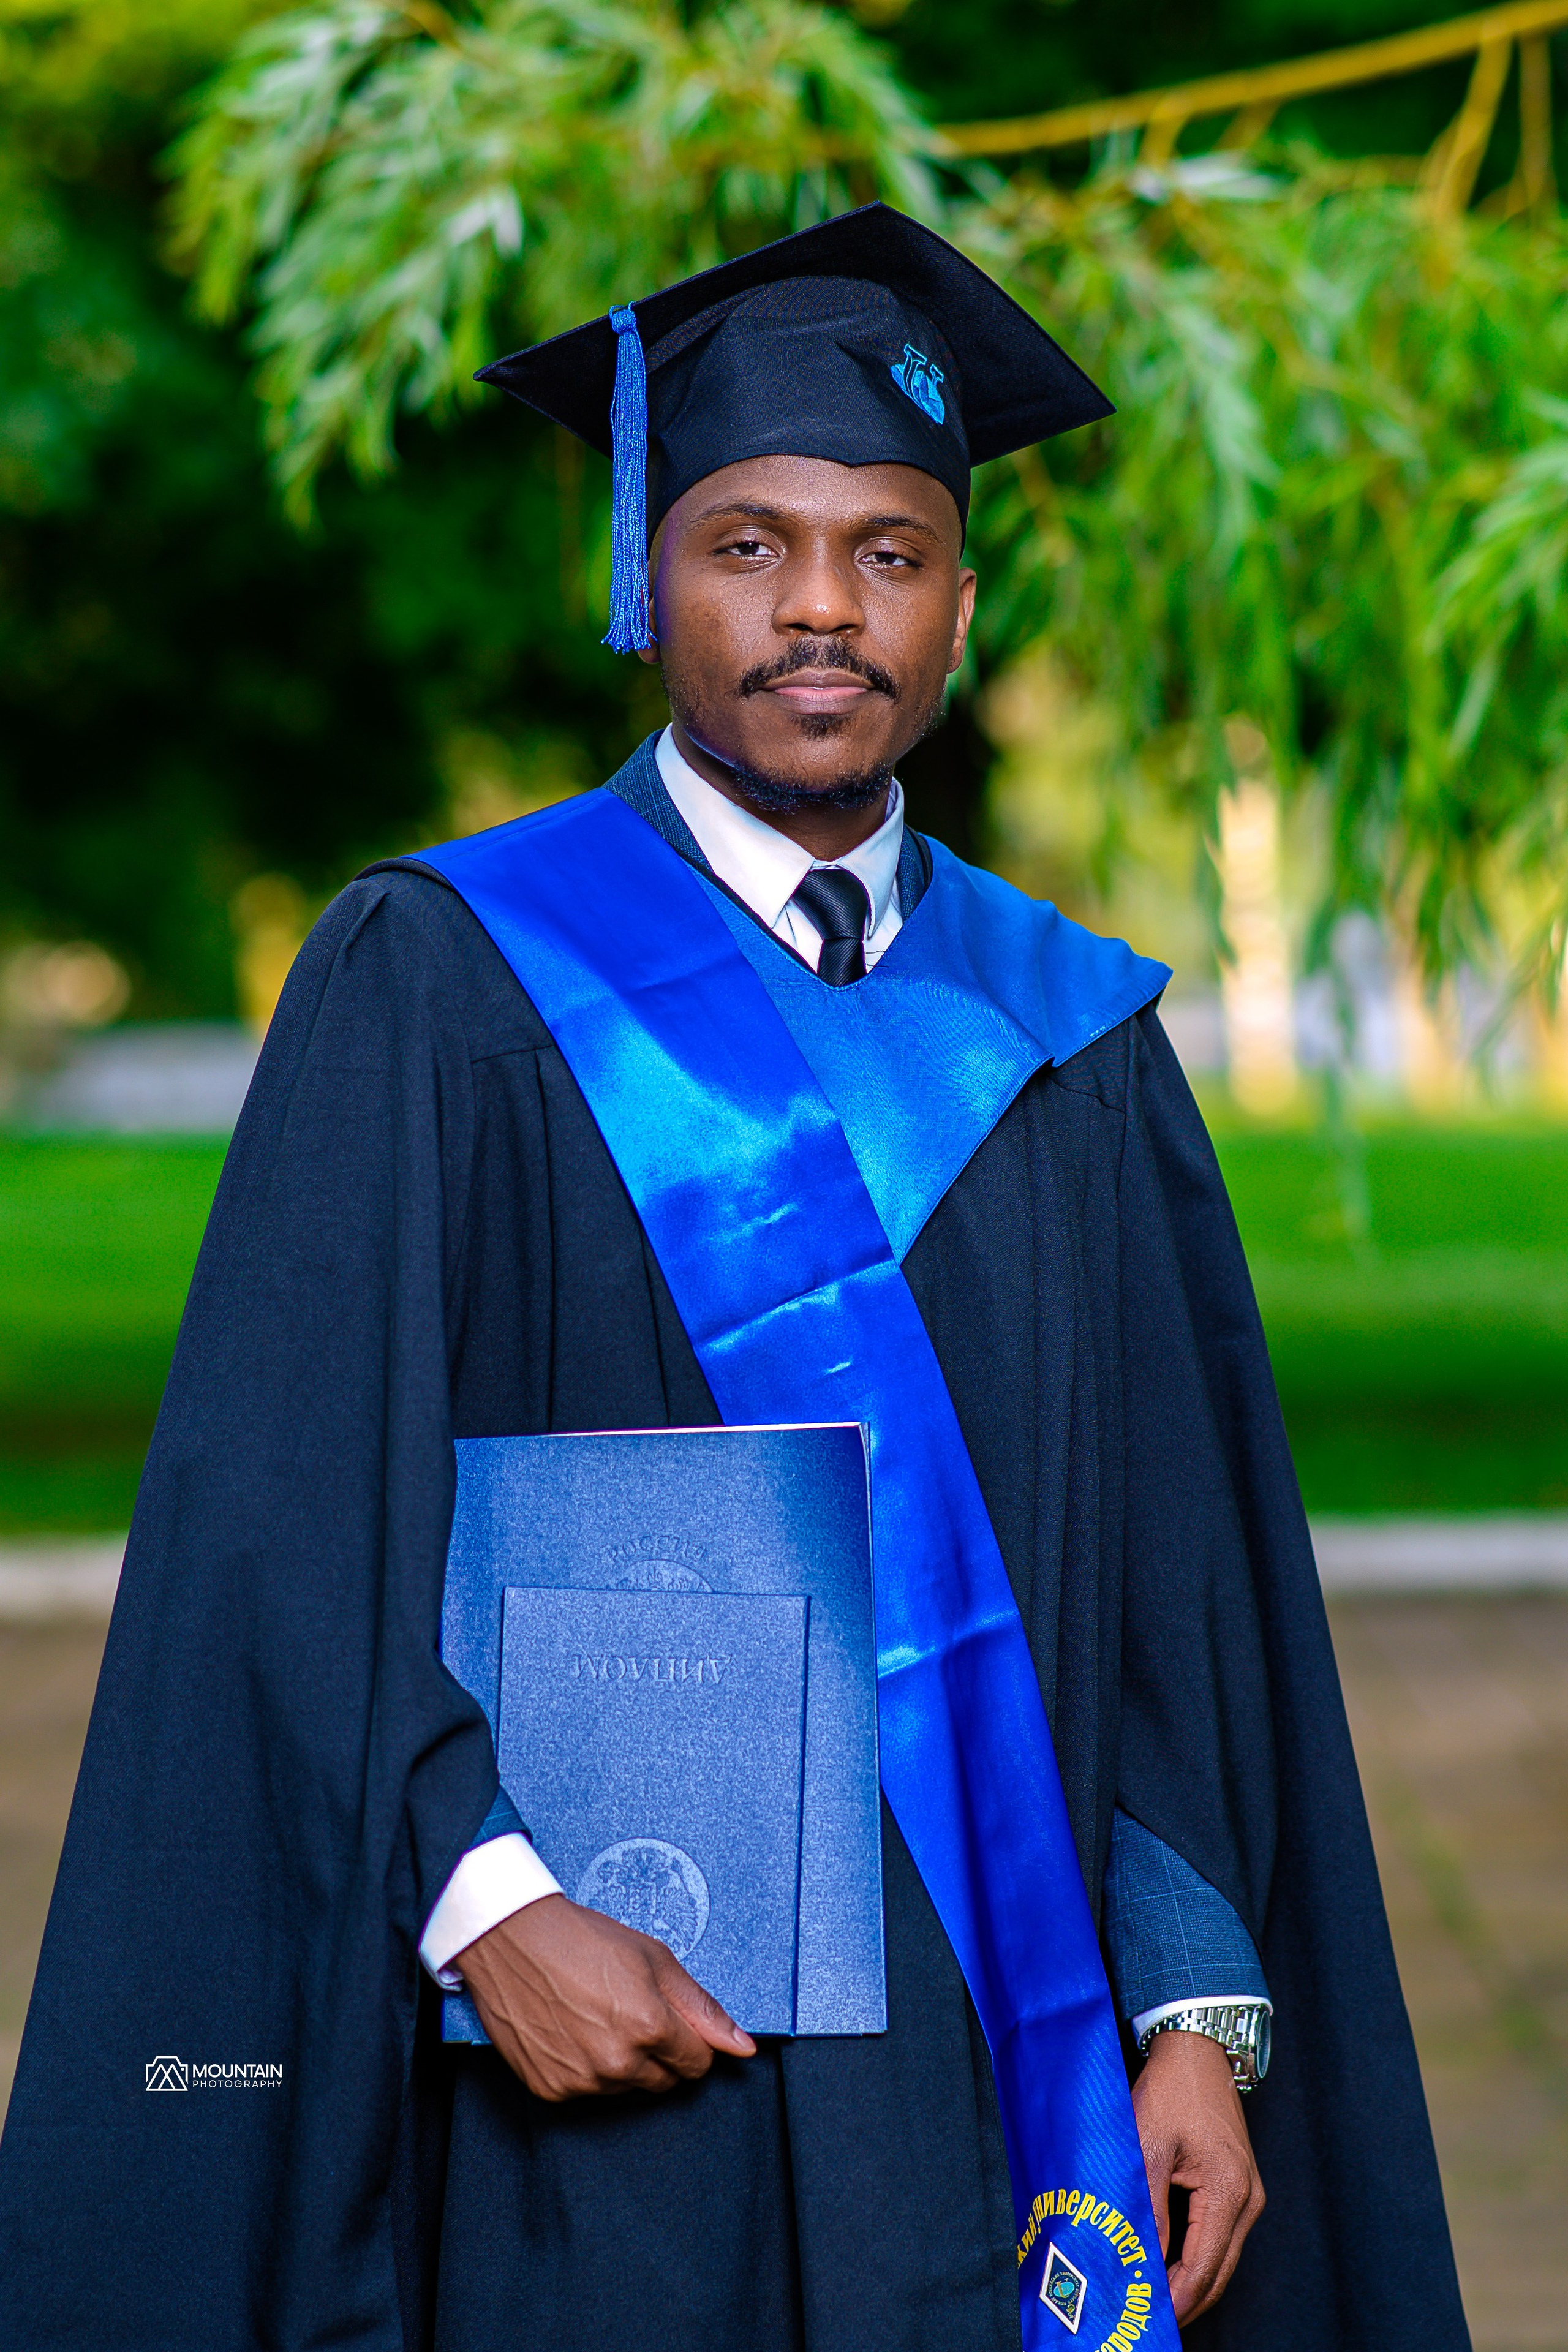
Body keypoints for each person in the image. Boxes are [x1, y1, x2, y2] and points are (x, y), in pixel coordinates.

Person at [0, 205, 1468, 2352]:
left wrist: (1190, 2009)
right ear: (647, 574)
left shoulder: (1068, 1041)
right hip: (608, 2055)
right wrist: (483, 1901)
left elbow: (1173, 1579)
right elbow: (286, 1511)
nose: (821, 607)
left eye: (889, 552)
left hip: (1008, 2053)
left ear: (961, 606)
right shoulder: (447, 982)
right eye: (749, 544)